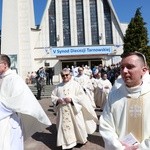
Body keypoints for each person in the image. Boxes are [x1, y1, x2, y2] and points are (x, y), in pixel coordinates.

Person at [99, 52, 150, 150]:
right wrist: (120, 147)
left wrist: (142, 148)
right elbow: (106, 126)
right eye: (122, 67)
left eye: (130, 67)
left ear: (143, 70)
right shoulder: (113, 96)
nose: (124, 71)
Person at [0, 54, 51, 150]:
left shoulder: (14, 78)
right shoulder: (2, 78)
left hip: (10, 121)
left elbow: (17, 100)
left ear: (5, 64)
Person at [51, 68, 98, 149]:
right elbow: (53, 96)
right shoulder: (58, 86)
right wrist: (57, 100)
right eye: (63, 75)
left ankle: (80, 140)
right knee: (65, 128)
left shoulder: (76, 85)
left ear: (70, 75)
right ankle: (67, 143)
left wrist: (72, 99)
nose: (65, 77)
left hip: (74, 110)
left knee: (78, 125)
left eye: (67, 75)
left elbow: (81, 96)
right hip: (62, 111)